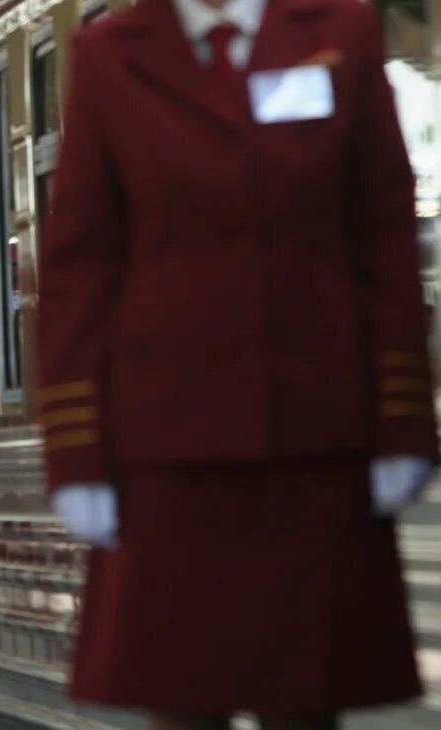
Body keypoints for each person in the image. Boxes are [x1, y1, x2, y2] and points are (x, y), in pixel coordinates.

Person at [36, 0, 437, 728]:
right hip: (167, 463)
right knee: (185, 710)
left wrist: (403, 417)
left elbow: (383, 234)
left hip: (316, 447)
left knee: (308, 707)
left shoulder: (337, 33)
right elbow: (78, 269)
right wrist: (77, 454)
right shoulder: (107, 55)